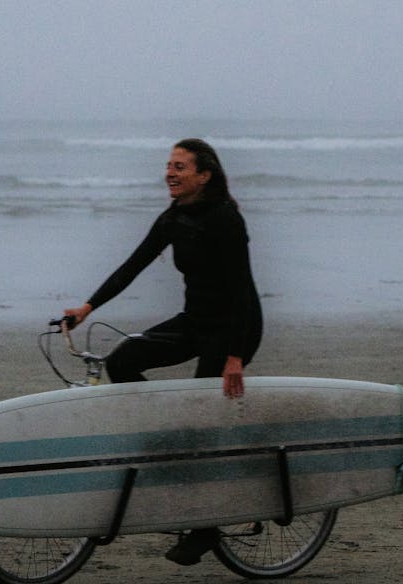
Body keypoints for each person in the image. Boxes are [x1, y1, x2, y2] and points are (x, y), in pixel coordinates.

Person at [62, 138, 262, 565]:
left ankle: (206, 528)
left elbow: (242, 290)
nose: (170, 173)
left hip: (231, 330)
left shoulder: (225, 219)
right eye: (169, 165)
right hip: (194, 321)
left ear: (204, 175)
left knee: (201, 419)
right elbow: (132, 265)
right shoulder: (174, 217)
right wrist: (87, 308)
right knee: (122, 360)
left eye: (180, 167)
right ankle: (166, 436)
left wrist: (235, 356)